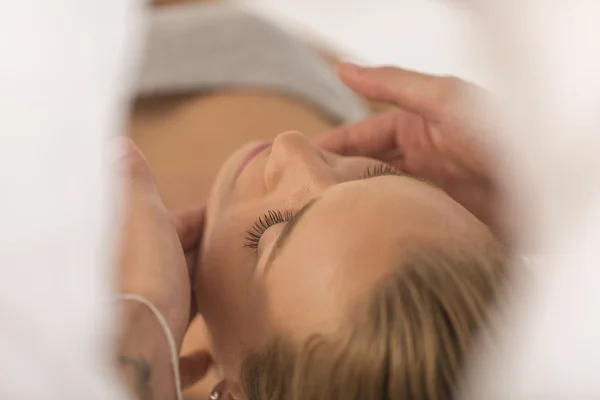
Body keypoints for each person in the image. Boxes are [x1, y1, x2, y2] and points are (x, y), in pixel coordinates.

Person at [128, 4, 510, 400]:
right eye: (378, 175)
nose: (292, 146)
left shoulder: (81, 351)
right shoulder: (372, 124)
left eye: (271, 228)